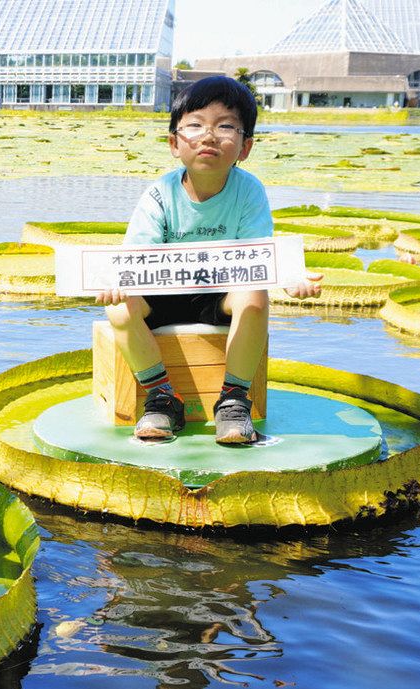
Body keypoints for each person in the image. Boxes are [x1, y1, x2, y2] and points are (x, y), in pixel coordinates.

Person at [96, 76, 320, 445]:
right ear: (173, 143)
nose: (210, 135)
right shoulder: (160, 193)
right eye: (195, 125)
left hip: (220, 298)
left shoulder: (249, 191)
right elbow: (135, 262)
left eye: (226, 126)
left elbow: (258, 257)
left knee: (254, 294)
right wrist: (114, 282)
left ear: (245, 147)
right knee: (119, 309)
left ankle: (233, 401)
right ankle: (163, 397)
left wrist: (289, 275)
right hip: (165, 298)